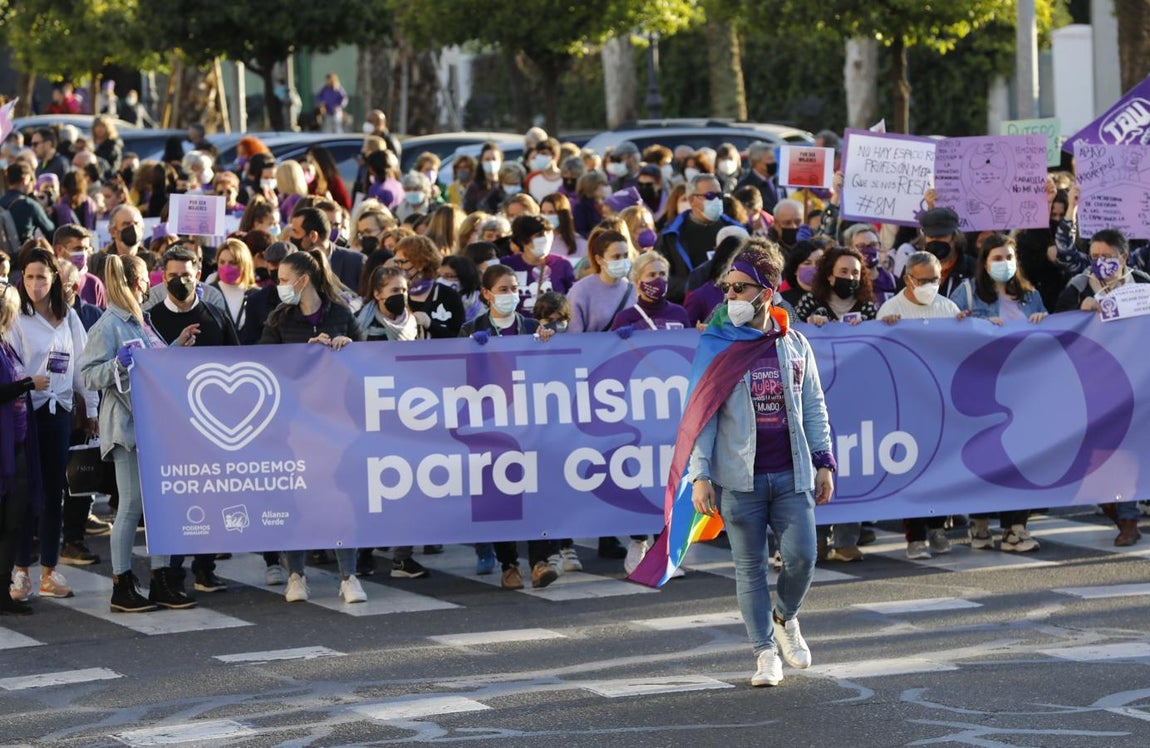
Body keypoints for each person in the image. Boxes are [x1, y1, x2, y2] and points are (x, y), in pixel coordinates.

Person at [684, 244, 835, 687]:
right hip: (738, 479)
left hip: (791, 474)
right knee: (749, 569)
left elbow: (814, 405)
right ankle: (764, 652)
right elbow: (701, 416)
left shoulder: (794, 341)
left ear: (766, 292)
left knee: (803, 557)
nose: (729, 296)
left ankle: (785, 616)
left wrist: (823, 460)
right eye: (727, 287)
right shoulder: (716, 345)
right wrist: (701, 474)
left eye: (740, 287)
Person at [81, 254, 199, 612]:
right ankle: (122, 584)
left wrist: (177, 345)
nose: (152, 285)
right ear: (137, 283)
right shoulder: (109, 325)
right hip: (128, 426)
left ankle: (160, 579)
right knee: (131, 505)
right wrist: (117, 363)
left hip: (152, 426)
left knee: (157, 505)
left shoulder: (140, 320)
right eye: (148, 280)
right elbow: (88, 375)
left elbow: (154, 368)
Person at [259, 250, 367, 602]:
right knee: (296, 498)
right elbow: (265, 366)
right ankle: (296, 575)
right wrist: (302, 355)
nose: (279, 286)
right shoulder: (279, 319)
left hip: (338, 425)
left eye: (284, 279)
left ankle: (348, 576)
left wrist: (348, 347)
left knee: (340, 498)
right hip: (295, 427)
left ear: (303, 280)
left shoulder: (340, 313)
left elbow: (367, 361)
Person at [7, 248, 98, 604]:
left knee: (53, 494)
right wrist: (30, 381)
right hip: (24, 412)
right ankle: (19, 572)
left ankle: (49, 570)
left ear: (54, 279)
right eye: (28, 277)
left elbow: (81, 367)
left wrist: (90, 409)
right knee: (25, 493)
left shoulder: (69, 317)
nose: (34, 284)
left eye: (41, 277)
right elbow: (9, 366)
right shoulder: (16, 317)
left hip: (59, 411)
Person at [460, 264, 559, 589]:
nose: (510, 295)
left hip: (530, 425)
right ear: (487, 294)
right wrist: (470, 351)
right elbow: (458, 377)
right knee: (499, 495)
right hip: (492, 428)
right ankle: (509, 564)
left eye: (514, 288)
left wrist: (548, 342)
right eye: (502, 290)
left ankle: (540, 561)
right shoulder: (470, 328)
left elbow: (553, 367)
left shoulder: (531, 326)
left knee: (537, 491)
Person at [877, 252, 967, 559]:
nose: (930, 285)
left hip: (941, 403)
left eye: (935, 279)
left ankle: (937, 528)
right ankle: (915, 536)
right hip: (907, 405)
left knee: (940, 468)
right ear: (908, 279)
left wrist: (967, 328)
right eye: (923, 280)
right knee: (912, 469)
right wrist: (885, 328)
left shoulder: (948, 308)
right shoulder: (891, 310)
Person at [0, 282, 49, 616]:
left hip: (15, 443)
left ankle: (3, 591)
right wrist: (29, 384)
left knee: (14, 522)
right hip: (4, 446)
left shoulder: (5, 343)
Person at [654, 173, 744, 303]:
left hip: (732, 306)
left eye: (719, 195)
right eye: (710, 196)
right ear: (692, 200)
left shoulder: (737, 230)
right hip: (689, 307)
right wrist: (692, 286)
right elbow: (661, 278)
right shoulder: (671, 236)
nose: (716, 201)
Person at [500, 215, 575, 317]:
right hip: (517, 329)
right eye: (539, 235)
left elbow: (572, 299)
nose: (546, 238)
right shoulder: (506, 266)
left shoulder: (562, 264)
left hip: (552, 328)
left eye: (548, 232)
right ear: (524, 240)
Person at [393, 235, 466, 339]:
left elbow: (459, 336)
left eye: (403, 262)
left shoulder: (449, 295)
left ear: (421, 263)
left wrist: (430, 325)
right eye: (396, 262)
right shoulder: (394, 293)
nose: (398, 267)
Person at [566, 230, 637, 333]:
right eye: (616, 257)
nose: (622, 261)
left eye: (625, 255)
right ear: (599, 259)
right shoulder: (580, 291)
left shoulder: (634, 289)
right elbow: (573, 335)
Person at [1, 162, 56, 245]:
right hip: (24, 253)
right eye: (32, 180)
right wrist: (44, 210)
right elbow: (52, 232)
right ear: (25, 180)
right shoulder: (29, 204)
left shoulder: (1, 201)